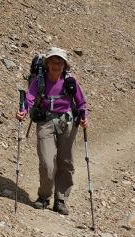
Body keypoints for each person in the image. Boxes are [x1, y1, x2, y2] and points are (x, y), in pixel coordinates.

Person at [16, 47, 89, 215]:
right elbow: (29, 98)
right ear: (47, 63)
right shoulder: (39, 80)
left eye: (59, 63)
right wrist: (23, 111)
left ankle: (61, 199)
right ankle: (44, 196)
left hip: (67, 122)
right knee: (47, 162)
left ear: (64, 65)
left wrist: (85, 117)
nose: (56, 66)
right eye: (53, 62)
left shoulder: (71, 81)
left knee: (66, 162)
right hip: (45, 121)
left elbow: (82, 104)